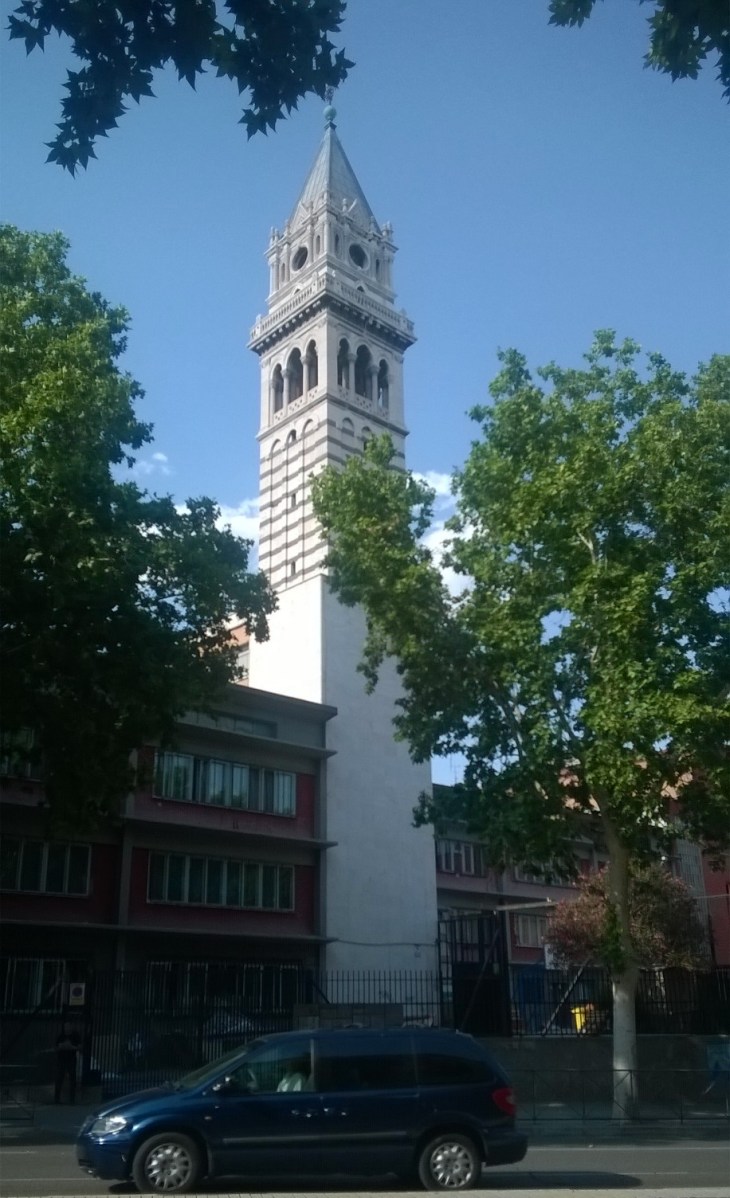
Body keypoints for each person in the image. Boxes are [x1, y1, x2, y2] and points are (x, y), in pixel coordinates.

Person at [54, 1021, 80, 1104]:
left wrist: (71, 1047)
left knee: (72, 1079)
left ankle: (72, 1099)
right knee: (59, 1078)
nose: (67, 1028)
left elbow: (79, 1047)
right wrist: (61, 1046)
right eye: (65, 1027)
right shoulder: (61, 1036)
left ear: (71, 1027)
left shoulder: (75, 1036)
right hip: (61, 1059)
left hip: (71, 1059)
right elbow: (56, 1047)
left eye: (68, 1027)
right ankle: (56, 1099)